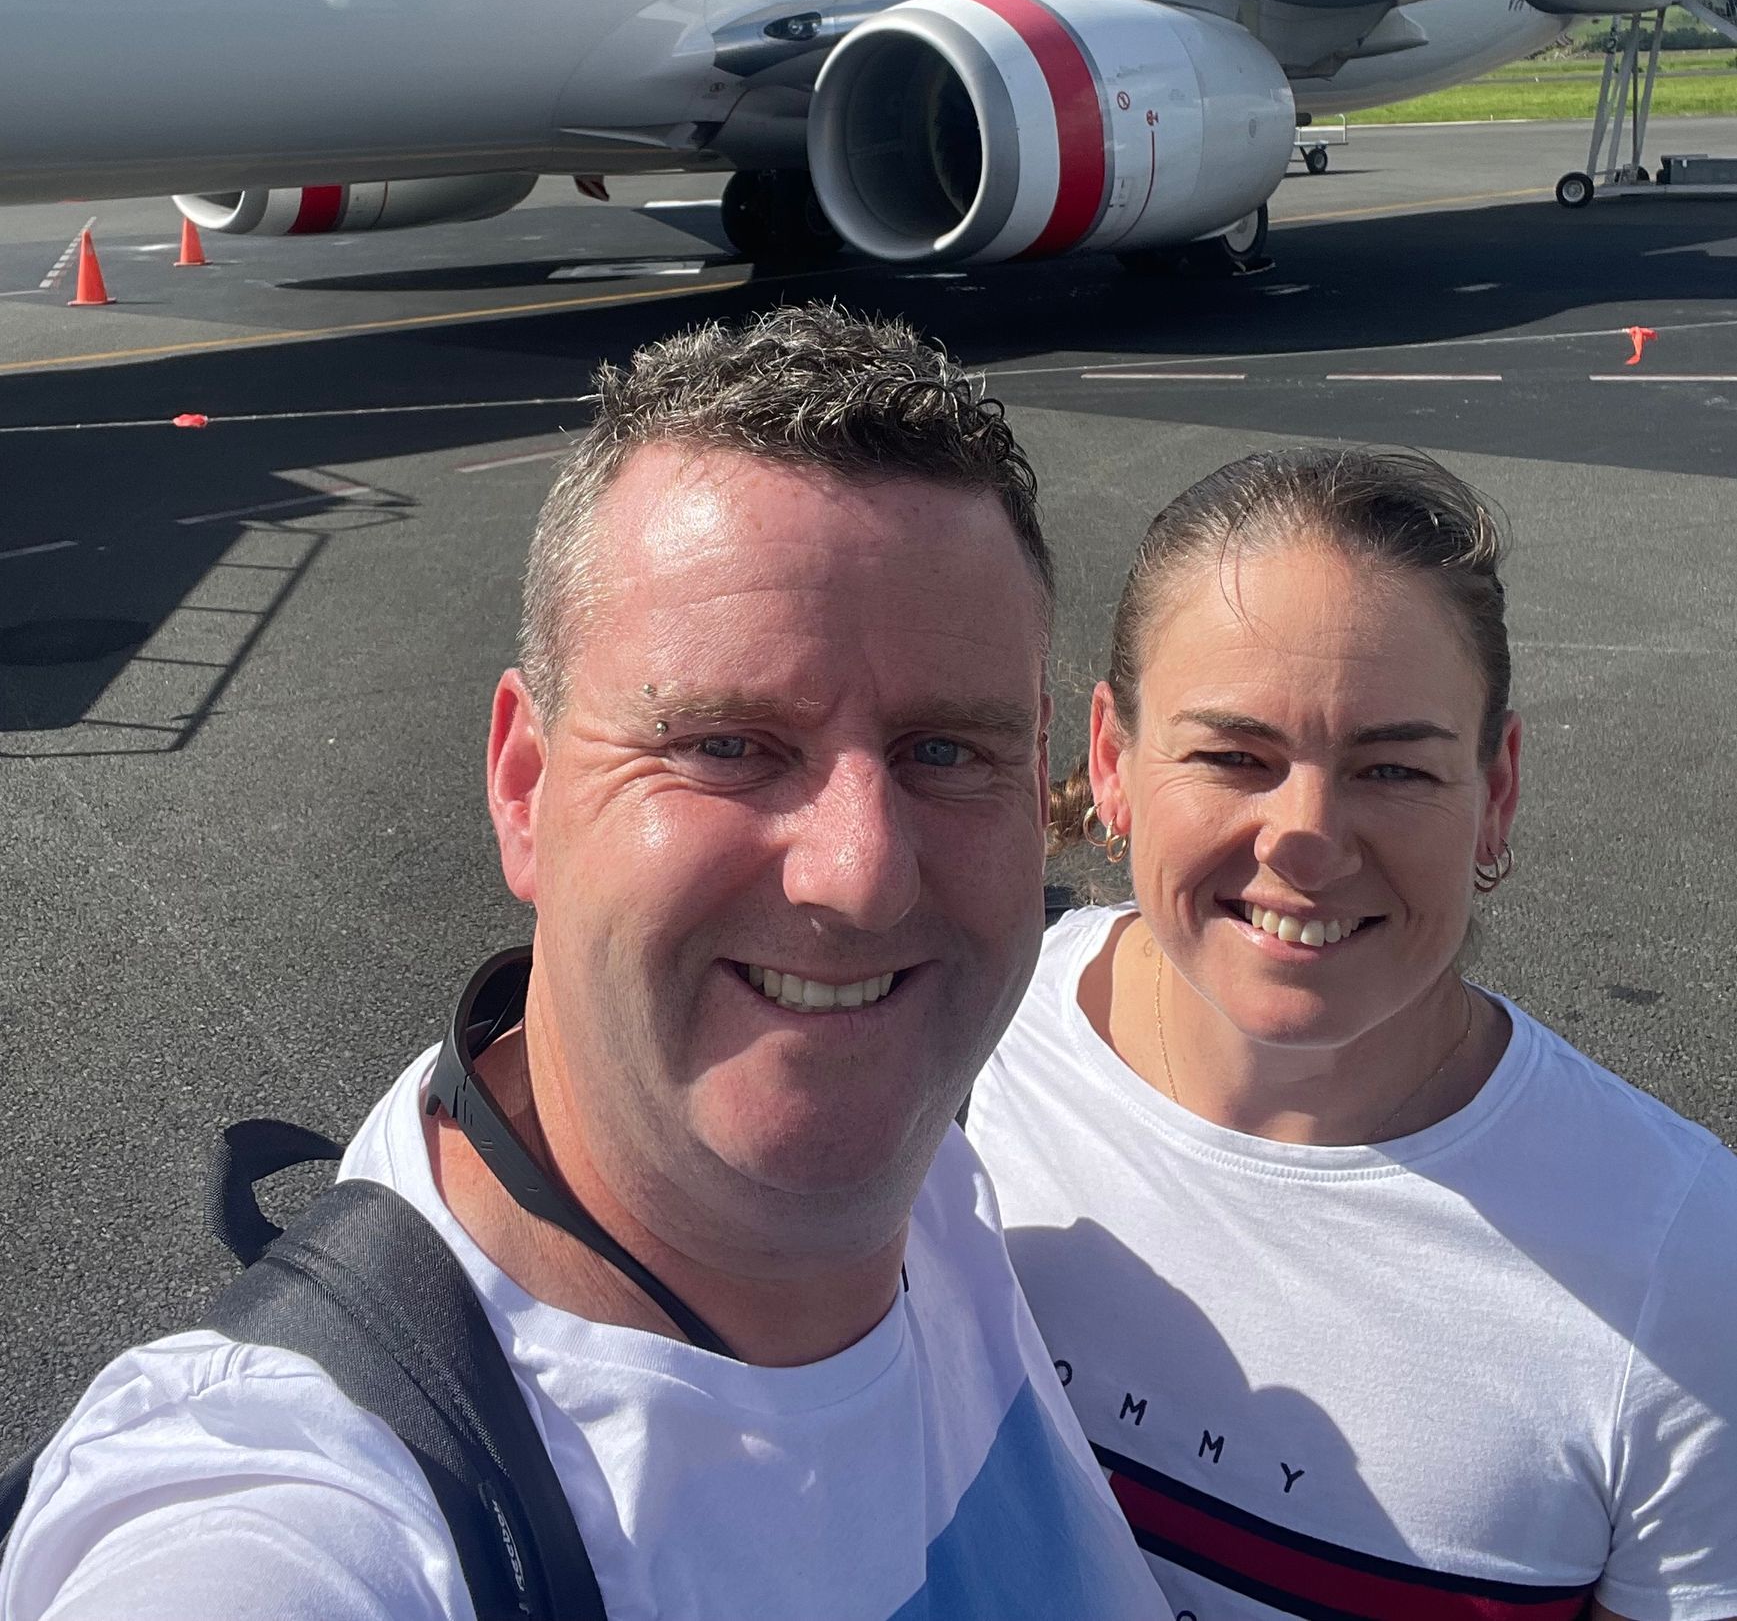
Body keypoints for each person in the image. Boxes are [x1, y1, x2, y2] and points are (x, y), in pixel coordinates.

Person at [1, 304, 1162, 1621]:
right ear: (523, 784)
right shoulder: (317, 1509)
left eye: (948, 750)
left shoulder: (941, 1166)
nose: (862, 874)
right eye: (726, 743)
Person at [967, 446, 1737, 1621]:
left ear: (1500, 789)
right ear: (1111, 762)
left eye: (1393, 767)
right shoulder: (957, 1051)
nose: (1309, 837)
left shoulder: (1678, 1265)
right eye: (1235, 756)